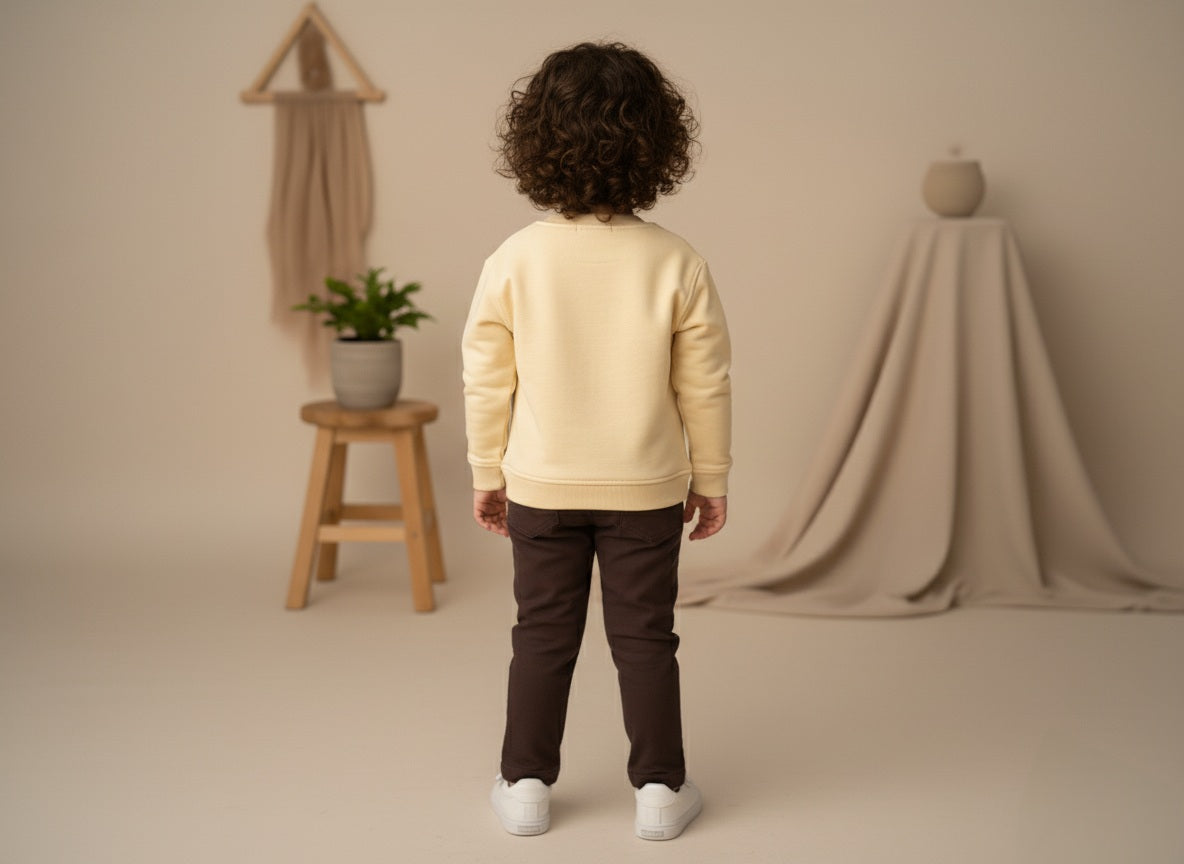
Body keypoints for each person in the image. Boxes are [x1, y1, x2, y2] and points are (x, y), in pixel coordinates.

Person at [462, 41, 732, 841]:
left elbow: (486, 379)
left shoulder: (515, 258)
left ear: (535, 141)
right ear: (656, 145)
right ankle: (660, 791)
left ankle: (524, 786)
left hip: (540, 486)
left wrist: (487, 471)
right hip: (646, 490)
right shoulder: (676, 262)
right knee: (645, 638)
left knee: (541, 636)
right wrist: (711, 479)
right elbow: (706, 384)